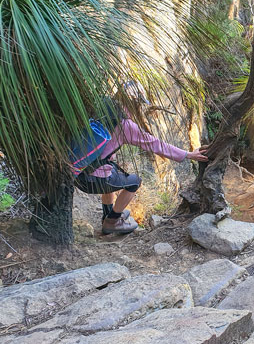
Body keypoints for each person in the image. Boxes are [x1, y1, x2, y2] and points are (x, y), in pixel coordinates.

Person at [74, 88, 208, 235]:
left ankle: (108, 213)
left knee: (111, 171)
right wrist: (188, 154)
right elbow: (156, 144)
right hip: (91, 180)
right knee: (134, 182)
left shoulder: (100, 110)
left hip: (77, 172)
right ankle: (112, 221)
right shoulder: (126, 125)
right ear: (135, 104)